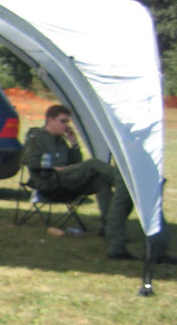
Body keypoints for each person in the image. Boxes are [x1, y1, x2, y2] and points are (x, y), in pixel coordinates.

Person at [22, 104, 171, 262]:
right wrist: (54, 167)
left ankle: (109, 228)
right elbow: (27, 159)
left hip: (66, 179)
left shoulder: (61, 141)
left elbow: (76, 162)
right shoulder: (37, 137)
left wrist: (74, 144)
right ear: (50, 120)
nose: (66, 126)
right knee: (93, 164)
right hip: (48, 181)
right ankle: (130, 182)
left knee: (101, 182)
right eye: (63, 121)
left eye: (68, 122)